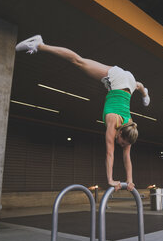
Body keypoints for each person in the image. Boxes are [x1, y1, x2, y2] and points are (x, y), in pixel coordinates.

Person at [15, 35, 150, 191]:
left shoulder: (130, 129)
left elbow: (127, 157)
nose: (121, 145)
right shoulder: (113, 122)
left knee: (138, 86)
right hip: (118, 78)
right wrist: (110, 180)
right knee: (78, 61)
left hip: (131, 83)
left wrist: (130, 181)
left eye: (123, 144)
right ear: (120, 133)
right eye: (121, 142)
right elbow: (109, 154)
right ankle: (40, 45)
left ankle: (144, 92)